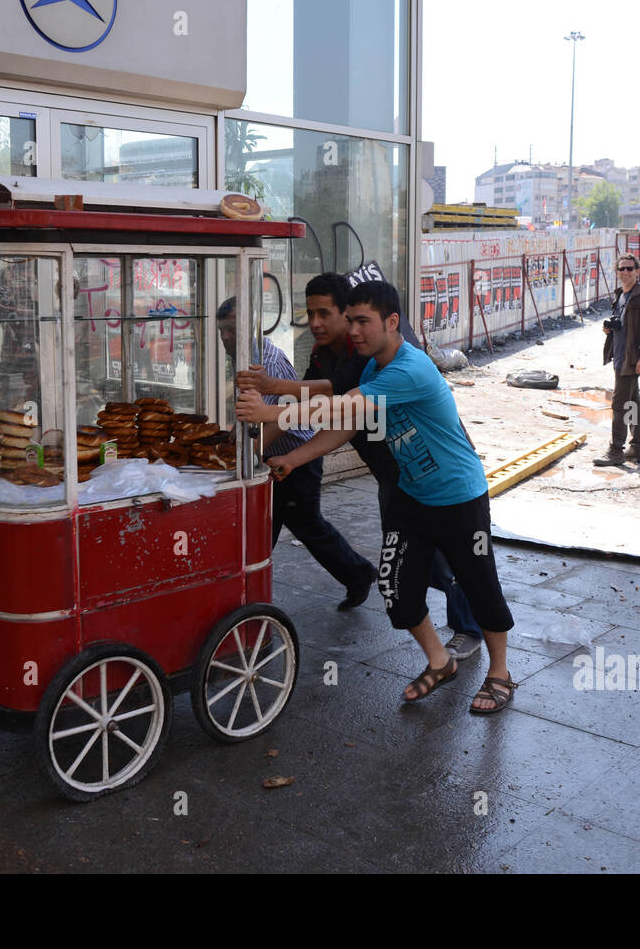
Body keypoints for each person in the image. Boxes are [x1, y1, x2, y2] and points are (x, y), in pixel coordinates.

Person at [243, 281, 518, 714]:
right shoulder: (372, 368)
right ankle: (440, 661)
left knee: (477, 581)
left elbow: (341, 404)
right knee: (394, 587)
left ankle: (500, 672)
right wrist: (294, 458)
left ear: (392, 322)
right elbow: (349, 424)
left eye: (362, 321)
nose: (353, 330)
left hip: (459, 496)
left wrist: (272, 413)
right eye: (349, 320)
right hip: (411, 495)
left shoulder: (410, 369)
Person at [216, 298, 376, 611]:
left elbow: (282, 416)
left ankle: (358, 574)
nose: (225, 337)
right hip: (271, 459)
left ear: (251, 328)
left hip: (295, 457)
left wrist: (250, 452)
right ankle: (246, 593)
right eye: (222, 330)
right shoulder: (241, 355)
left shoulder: (269, 363)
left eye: (231, 330)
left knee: (306, 526)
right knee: (268, 526)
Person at [595, 252, 640, 467]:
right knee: (633, 404)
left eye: (629, 268)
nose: (625, 272)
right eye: (621, 269)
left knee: (619, 403)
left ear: (637, 271)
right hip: (619, 355)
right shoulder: (620, 295)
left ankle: (616, 450)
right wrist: (609, 330)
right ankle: (637, 448)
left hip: (632, 358)